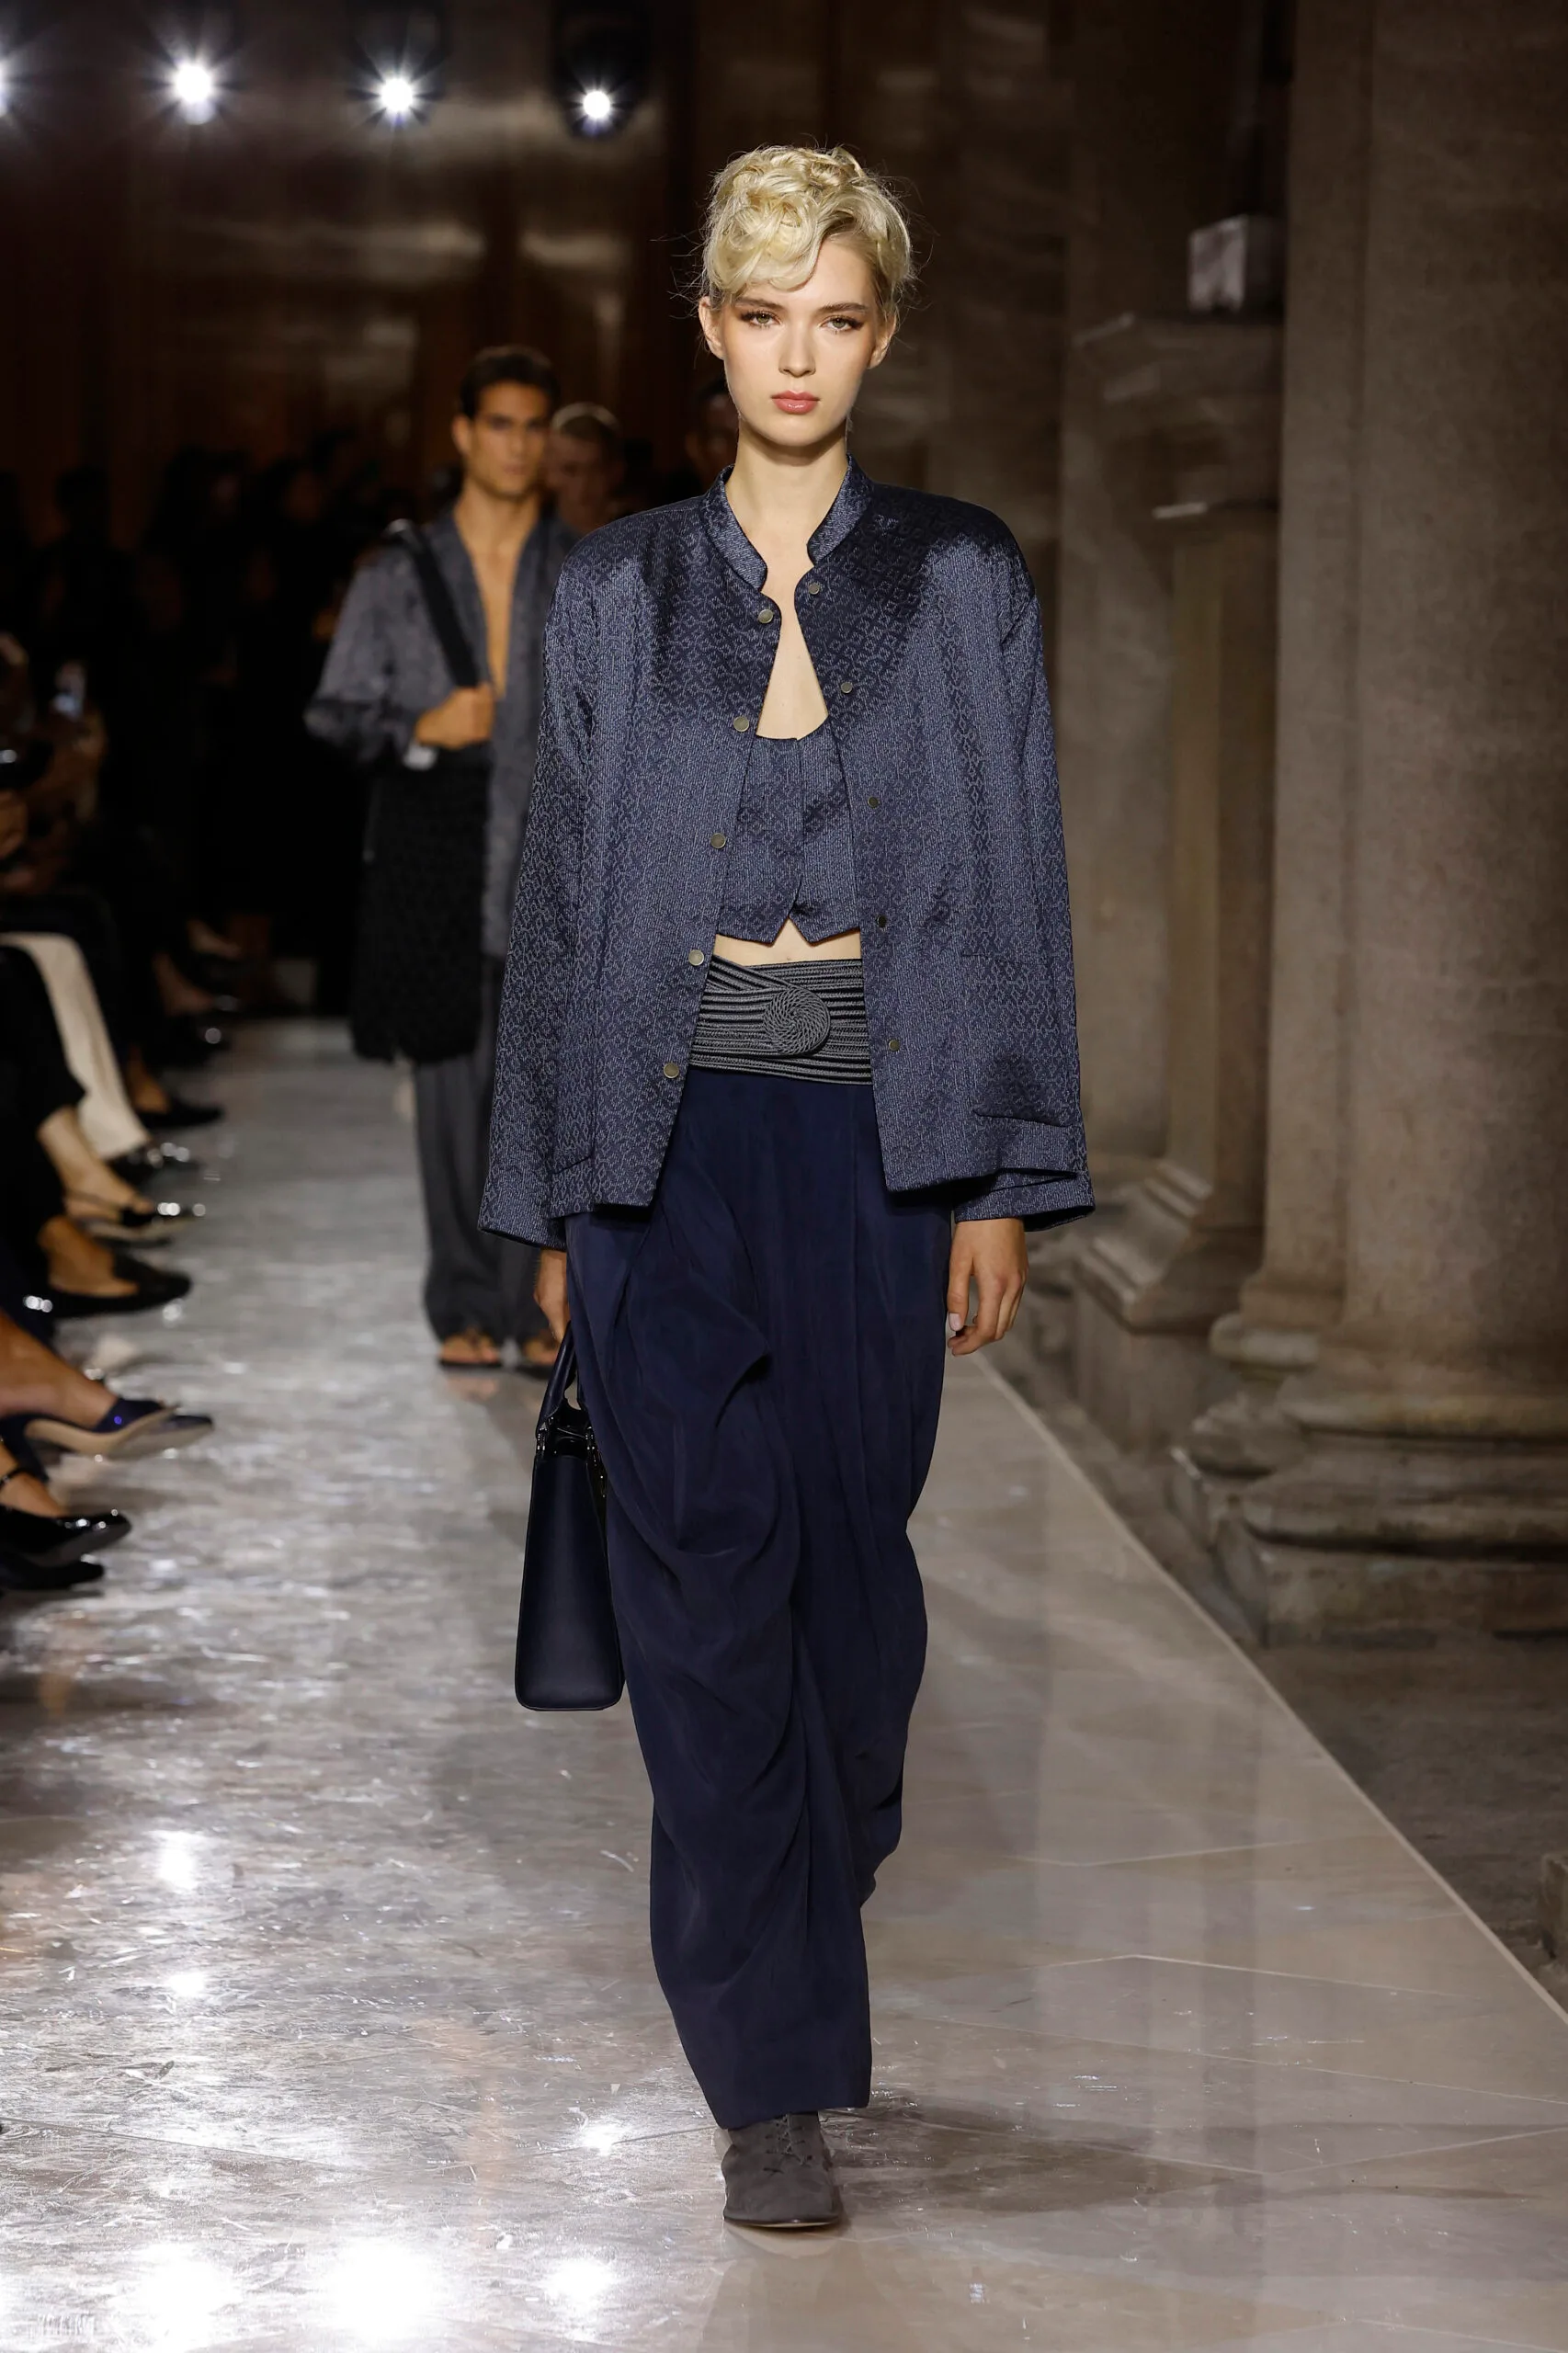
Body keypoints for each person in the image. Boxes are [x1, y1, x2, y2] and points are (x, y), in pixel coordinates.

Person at [483, 145, 1092, 2228]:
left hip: (872, 1144)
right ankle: (767, 2082)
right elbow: (546, 905)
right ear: (712, 333)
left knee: (850, 1602)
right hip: (656, 1154)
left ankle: (811, 1867)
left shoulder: (962, 576)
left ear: (880, 334)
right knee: (704, 1601)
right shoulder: (608, 586)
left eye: (838, 316)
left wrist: (997, 1174)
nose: (800, 353)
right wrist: (545, 1203)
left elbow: (1008, 886)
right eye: (765, 315)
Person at [309, 347, 574, 1371]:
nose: (517, 444)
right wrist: (421, 724)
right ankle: (463, 1298)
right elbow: (333, 708)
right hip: (435, 858)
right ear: (464, 434)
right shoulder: (398, 574)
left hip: (551, 856)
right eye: (499, 423)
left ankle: (533, 1301)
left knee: (543, 1092)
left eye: (533, 425)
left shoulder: (586, 567)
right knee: (451, 1090)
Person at [546, 404, 625, 537]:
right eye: (569, 470)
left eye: (595, 470)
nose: (582, 487)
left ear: (616, 471)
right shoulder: (525, 541)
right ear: (548, 471)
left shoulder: (641, 536)